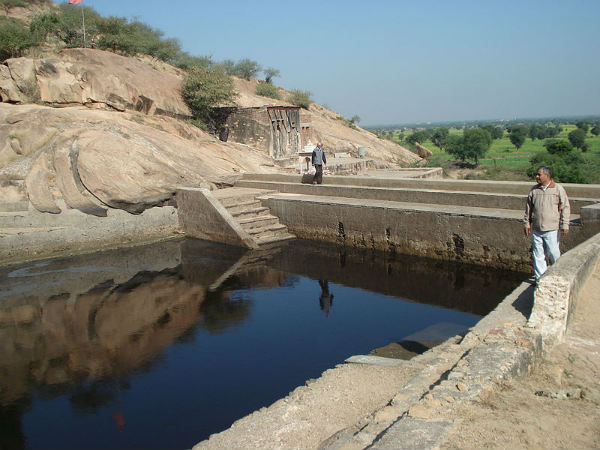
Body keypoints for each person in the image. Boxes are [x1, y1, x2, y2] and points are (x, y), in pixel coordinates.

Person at [523, 166, 570, 282]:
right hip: (537, 228)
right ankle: (540, 279)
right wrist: (527, 224)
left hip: (552, 228)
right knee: (538, 255)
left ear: (547, 176)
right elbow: (528, 209)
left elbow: (565, 208)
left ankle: (557, 277)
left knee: (553, 253)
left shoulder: (558, 189)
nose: (537, 177)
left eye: (539, 175)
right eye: (537, 174)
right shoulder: (534, 190)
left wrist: (565, 225)